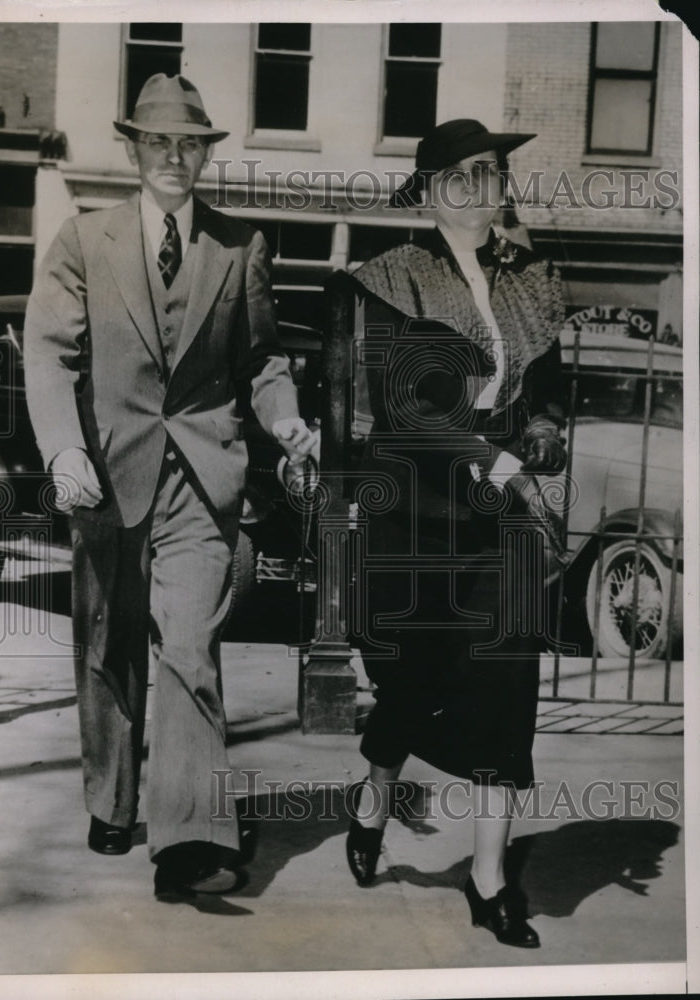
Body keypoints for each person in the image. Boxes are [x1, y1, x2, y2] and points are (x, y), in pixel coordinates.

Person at [23, 74, 313, 900]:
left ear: (206, 153)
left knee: (188, 648)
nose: (175, 157)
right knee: (111, 647)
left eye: (190, 144)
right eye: (159, 143)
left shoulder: (240, 246)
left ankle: (187, 836)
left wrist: (283, 416)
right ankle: (112, 799)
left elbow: (261, 361)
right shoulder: (84, 241)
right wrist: (63, 452)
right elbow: (49, 355)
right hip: (107, 479)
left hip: (203, 482)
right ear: (133, 150)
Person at [345, 119, 568, 948]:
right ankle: (371, 802)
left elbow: (547, 382)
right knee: (411, 689)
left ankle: (488, 880)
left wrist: (541, 426)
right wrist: (497, 460)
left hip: (496, 524)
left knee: (506, 690)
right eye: (466, 173)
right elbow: (404, 412)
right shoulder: (392, 277)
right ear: (432, 188)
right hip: (412, 514)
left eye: (494, 171)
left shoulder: (531, 277)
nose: (485, 186)